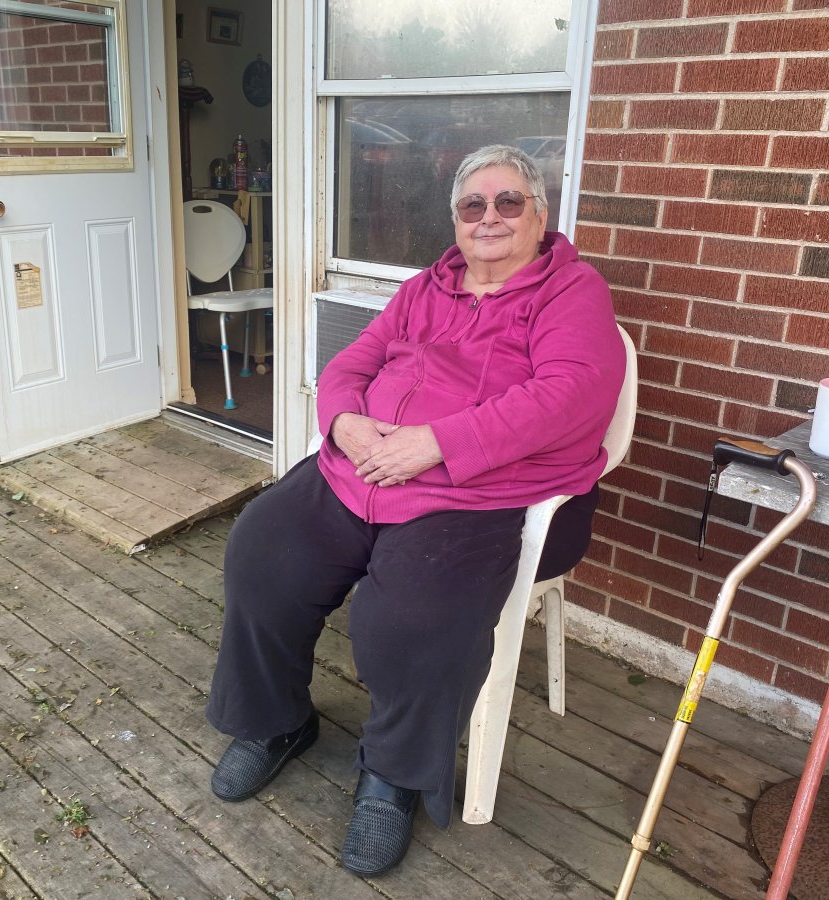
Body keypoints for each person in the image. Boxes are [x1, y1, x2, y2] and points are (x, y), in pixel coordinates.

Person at [205, 145, 625, 877]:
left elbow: (572, 395)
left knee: (411, 619)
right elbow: (350, 365)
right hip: (358, 468)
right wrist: (342, 423)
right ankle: (276, 724)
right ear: (456, 221)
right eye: (473, 205)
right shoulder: (426, 288)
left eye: (508, 202)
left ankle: (394, 774)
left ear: (540, 213)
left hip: (473, 489)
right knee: (261, 553)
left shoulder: (571, 292)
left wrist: (437, 443)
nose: (489, 217)